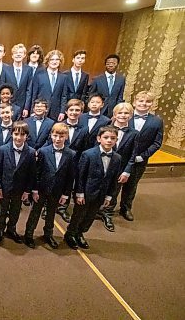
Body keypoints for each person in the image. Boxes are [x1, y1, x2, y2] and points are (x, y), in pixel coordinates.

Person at [64, 126, 121, 250]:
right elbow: (80, 175)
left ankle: (80, 233)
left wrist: (109, 195)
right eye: (106, 137)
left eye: (113, 138)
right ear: (99, 138)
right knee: (78, 215)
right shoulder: (88, 154)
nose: (109, 140)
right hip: (85, 192)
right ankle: (70, 234)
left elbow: (113, 179)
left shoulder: (117, 158)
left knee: (90, 216)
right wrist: (79, 193)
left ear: (116, 140)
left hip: (101, 194)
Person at [24, 123, 76, 249]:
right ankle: (28, 234)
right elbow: (37, 172)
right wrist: (34, 190)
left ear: (67, 137)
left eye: (61, 136)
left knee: (51, 213)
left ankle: (48, 234)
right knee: (35, 212)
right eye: (55, 135)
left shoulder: (71, 154)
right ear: (51, 135)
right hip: (41, 189)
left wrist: (65, 194)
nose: (58, 139)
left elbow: (70, 176)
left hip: (57, 190)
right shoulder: (43, 151)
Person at [120, 91, 163, 221]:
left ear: (151, 104)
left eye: (147, 101)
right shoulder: (124, 116)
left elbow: (157, 143)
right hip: (121, 157)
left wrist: (143, 156)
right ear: (134, 102)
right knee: (113, 184)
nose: (143, 104)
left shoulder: (157, 121)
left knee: (131, 185)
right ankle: (107, 209)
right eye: (140, 101)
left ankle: (125, 208)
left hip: (139, 159)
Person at [98, 102, 138, 232]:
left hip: (120, 168)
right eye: (120, 113)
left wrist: (127, 171)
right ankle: (95, 210)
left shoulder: (134, 133)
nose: (123, 115)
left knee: (114, 190)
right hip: (103, 164)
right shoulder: (104, 128)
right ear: (114, 114)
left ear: (131, 116)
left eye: (126, 113)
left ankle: (108, 214)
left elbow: (133, 154)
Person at [0, 121, 36, 244]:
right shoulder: (3, 149)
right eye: (16, 134)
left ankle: (11, 229)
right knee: (2, 210)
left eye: (22, 135)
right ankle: (0, 229)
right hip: (5, 187)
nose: (19, 137)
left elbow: (31, 174)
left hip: (20, 189)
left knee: (15, 211)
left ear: (26, 136)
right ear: (11, 134)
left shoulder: (31, 152)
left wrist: (27, 191)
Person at [26, 49, 68, 121]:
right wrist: (33, 110)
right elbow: (34, 95)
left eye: (57, 59)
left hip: (55, 112)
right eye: (52, 59)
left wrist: (62, 112)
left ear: (60, 61)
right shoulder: (39, 76)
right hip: (39, 110)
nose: (54, 62)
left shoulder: (64, 77)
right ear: (48, 61)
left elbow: (64, 96)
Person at [3, 43, 33, 117]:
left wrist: (26, 107)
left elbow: (29, 90)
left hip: (23, 106)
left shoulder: (29, 69)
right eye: (16, 53)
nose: (18, 54)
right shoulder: (5, 69)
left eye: (20, 53)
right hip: (8, 105)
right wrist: (4, 105)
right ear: (12, 56)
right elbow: (2, 89)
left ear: (24, 55)